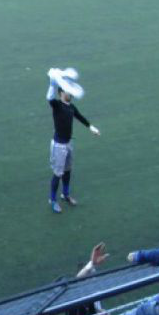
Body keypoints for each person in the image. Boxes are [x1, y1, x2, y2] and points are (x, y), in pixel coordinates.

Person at [46, 73, 100, 213]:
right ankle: (52, 200)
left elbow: (80, 117)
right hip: (59, 146)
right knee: (58, 173)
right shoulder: (57, 105)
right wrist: (52, 82)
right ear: (61, 92)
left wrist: (91, 128)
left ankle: (65, 194)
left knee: (68, 170)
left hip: (69, 143)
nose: (70, 93)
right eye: (67, 90)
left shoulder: (71, 107)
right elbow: (49, 97)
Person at [65, 243, 110, 315]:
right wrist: (92, 263)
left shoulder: (95, 291)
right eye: (90, 275)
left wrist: (104, 314)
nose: (93, 278)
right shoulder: (75, 292)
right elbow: (77, 279)